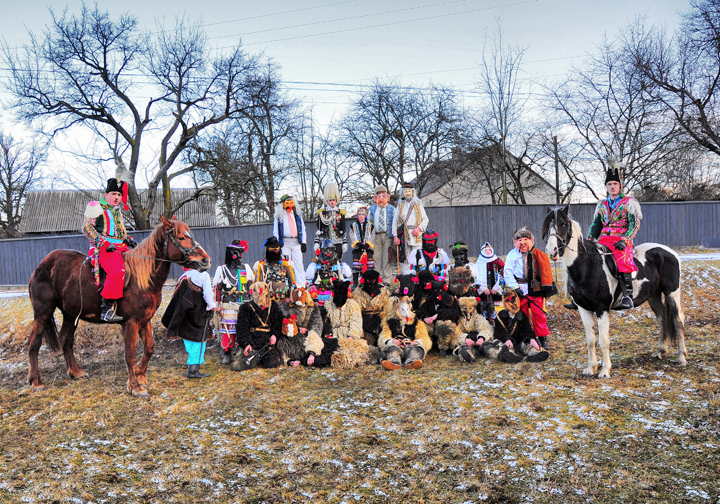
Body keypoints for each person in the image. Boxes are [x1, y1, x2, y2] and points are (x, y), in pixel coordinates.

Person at [577, 158, 643, 310]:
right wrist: (590, 239)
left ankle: (627, 296)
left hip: (621, 240)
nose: (612, 187)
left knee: (622, 261)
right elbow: (597, 224)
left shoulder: (629, 202)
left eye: (615, 184)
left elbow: (634, 224)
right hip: (604, 239)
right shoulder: (602, 204)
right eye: (609, 184)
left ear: (620, 185)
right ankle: (581, 296)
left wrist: (625, 240)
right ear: (606, 186)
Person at [83, 177, 137, 323]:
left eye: (119, 195)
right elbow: (87, 228)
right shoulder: (96, 207)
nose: (117, 197)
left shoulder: (117, 211)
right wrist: (103, 242)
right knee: (117, 270)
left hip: (120, 247)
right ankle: (106, 309)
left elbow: (120, 232)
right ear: (106, 194)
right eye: (114, 194)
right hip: (102, 248)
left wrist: (127, 239)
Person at [503, 228, 557, 350]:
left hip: (535, 288)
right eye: (520, 240)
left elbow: (545, 270)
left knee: (539, 313)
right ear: (515, 242)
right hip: (520, 288)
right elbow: (508, 272)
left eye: (526, 240)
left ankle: (542, 337)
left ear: (531, 241)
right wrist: (515, 287)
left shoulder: (537, 254)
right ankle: (525, 336)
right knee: (522, 314)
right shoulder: (512, 255)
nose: (523, 243)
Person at [162, 268, 217, 378]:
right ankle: (193, 371)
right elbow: (207, 294)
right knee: (198, 340)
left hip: (184, 312)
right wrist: (212, 307)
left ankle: (193, 367)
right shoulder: (203, 275)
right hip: (198, 312)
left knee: (190, 339)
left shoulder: (184, 275)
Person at [212, 240, 255, 365]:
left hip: (245, 304)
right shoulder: (221, 270)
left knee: (245, 328)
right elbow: (217, 288)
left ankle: (243, 350)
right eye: (237, 252)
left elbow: (251, 286)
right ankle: (227, 352)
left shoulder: (246, 268)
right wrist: (218, 304)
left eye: (241, 252)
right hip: (228, 306)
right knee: (228, 330)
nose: (239, 255)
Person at [392, 182, 429, 274]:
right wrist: (395, 236)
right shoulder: (400, 206)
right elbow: (395, 222)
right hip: (404, 235)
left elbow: (425, 219)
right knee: (406, 258)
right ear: (403, 193)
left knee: (418, 257)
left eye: (409, 191)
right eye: (405, 192)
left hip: (417, 234)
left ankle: (419, 279)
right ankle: (407, 280)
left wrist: (419, 228)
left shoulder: (418, 204)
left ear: (412, 192)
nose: (408, 193)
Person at [305, 238, 352, 306]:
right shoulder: (315, 264)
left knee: (347, 285)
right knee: (312, 287)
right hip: (321, 289)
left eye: (330, 249)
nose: (328, 252)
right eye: (326, 249)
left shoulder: (339, 264)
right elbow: (310, 277)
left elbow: (348, 275)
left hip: (336, 290)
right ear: (322, 250)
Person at [273, 195, 308, 287]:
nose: (289, 205)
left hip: (296, 241)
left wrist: (304, 242)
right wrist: (277, 244)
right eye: (287, 203)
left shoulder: (297, 216)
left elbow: (303, 229)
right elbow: (276, 232)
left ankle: (301, 287)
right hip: (284, 242)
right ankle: (287, 286)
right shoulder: (279, 216)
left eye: (291, 203)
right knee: (286, 264)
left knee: (299, 264)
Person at [367, 185, 396, 282]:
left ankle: (386, 280)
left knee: (387, 257)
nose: (381, 198)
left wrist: (395, 235)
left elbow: (396, 222)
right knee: (376, 257)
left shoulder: (392, 208)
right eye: (378, 196)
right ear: (375, 198)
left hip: (388, 235)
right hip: (376, 236)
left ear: (387, 196)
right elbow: (369, 223)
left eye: (383, 196)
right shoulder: (372, 209)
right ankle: (376, 279)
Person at [254, 237, 296, 303]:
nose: (275, 251)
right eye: (272, 249)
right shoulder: (262, 266)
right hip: (268, 300)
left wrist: (291, 297)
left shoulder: (286, 264)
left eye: (276, 249)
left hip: (284, 300)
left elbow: (292, 282)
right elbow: (258, 284)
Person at [314, 182, 347, 260]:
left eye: (334, 200)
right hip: (325, 240)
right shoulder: (322, 213)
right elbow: (318, 229)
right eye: (330, 200)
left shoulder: (341, 213)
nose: (332, 202)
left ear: (336, 201)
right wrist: (316, 242)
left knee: (338, 260)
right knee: (325, 260)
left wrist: (345, 242)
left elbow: (344, 229)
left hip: (337, 240)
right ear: (327, 201)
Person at [474, 242, 505, 323]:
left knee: (495, 305)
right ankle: (484, 320)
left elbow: (502, 274)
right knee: (484, 305)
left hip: (494, 286)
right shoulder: (479, 262)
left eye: (489, 250)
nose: (488, 251)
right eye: (486, 250)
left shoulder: (498, 261)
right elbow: (476, 276)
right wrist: (483, 288)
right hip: (484, 288)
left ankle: (495, 320)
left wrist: (497, 288)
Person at [348, 206, 375, 285]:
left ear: (365, 215)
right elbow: (351, 235)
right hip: (357, 249)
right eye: (359, 214)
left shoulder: (370, 225)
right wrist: (357, 243)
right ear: (357, 215)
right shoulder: (353, 225)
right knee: (357, 267)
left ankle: (367, 283)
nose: (361, 216)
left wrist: (368, 244)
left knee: (368, 267)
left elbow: (373, 235)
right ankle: (355, 283)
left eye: (363, 214)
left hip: (367, 249)